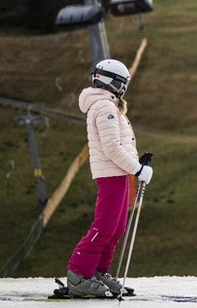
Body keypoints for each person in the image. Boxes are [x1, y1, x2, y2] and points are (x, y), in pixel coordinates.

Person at [65, 59, 154, 297]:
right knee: (104, 226)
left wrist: (134, 168)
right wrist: (137, 169)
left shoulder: (110, 105)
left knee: (116, 228)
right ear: (113, 82)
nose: (124, 87)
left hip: (120, 174)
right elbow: (112, 148)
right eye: (122, 82)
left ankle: (97, 272)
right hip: (111, 174)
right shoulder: (104, 108)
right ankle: (78, 275)